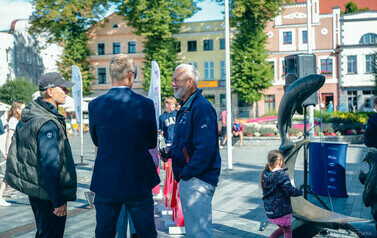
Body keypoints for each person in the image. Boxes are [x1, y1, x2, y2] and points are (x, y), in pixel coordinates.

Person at [89, 54, 159, 238]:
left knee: (104, 232)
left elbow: (96, 140)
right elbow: (152, 142)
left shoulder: (96, 105)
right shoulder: (145, 104)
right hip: (138, 179)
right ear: (131, 75)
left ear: (112, 75)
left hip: (107, 179)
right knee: (146, 233)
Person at [5, 72, 77, 237]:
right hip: (48, 193)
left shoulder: (33, 114)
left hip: (37, 189)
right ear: (50, 91)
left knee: (43, 231)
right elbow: (50, 164)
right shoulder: (47, 123)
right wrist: (58, 201)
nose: (67, 91)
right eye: (63, 88)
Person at [171, 64, 221, 237]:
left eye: (176, 80)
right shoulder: (188, 106)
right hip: (192, 178)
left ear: (189, 82)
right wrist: (171, 152)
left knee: (199, 233)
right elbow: (188, 142)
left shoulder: (200, 107)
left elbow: (205, 149)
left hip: (197, 179)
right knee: (194, 232)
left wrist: (187, 173)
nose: (173, 84)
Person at [260, 150, 303, 238]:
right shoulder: (281, 175)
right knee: (287, 232)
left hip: (270, 210)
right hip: (281, 210)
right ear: (280, 162)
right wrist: (300, 191)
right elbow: (289, 190)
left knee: (282, 229)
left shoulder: (265, 174)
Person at [0, 101, 25, 207]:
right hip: (12, 151)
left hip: (17, 151)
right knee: (8, 175)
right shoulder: (14, 121)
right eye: (22, 109)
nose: (24, 111)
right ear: (17, 109)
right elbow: (9, 137)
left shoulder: (18, 120)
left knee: (9, 175)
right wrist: (7, 152)